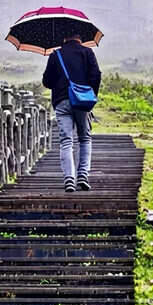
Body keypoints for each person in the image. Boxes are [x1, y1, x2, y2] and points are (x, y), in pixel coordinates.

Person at [42, 34, 101, 192]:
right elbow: (96, 75)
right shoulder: (88, 53)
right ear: (80, 37)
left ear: (64, 38)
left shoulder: (56, 55)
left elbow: (47, 82)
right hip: (83, 102)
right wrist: (90, 94)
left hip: (61, 101)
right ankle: (83, 174)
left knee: (66, 140)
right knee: (84, 138)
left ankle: (69, 178)